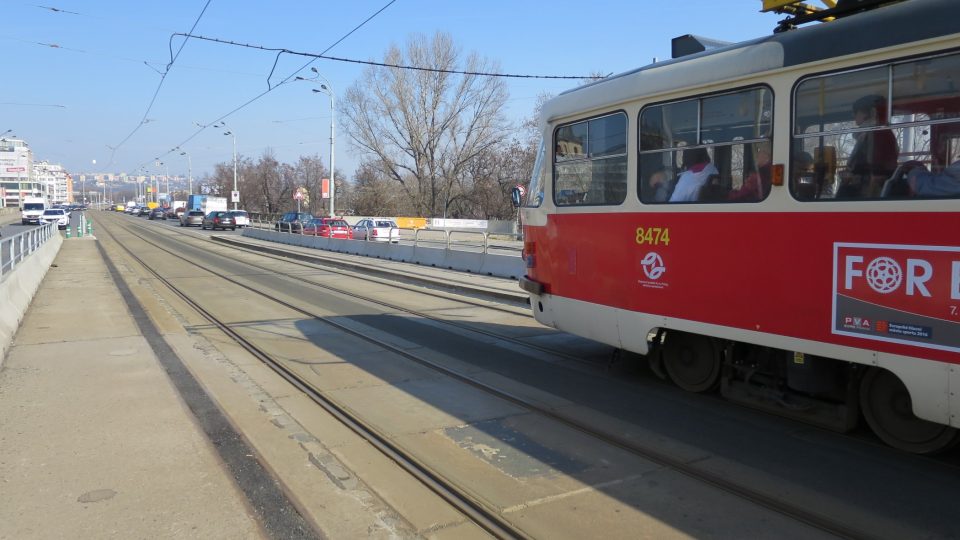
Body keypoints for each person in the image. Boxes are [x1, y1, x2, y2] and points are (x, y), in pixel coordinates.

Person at [837, 95, 898, 199]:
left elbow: (875, 165)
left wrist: (852, 176)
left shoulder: (874, 133)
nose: (854, 115)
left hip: (869, 190)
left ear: (867, 113)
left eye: (856, 112)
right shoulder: (879, 132)